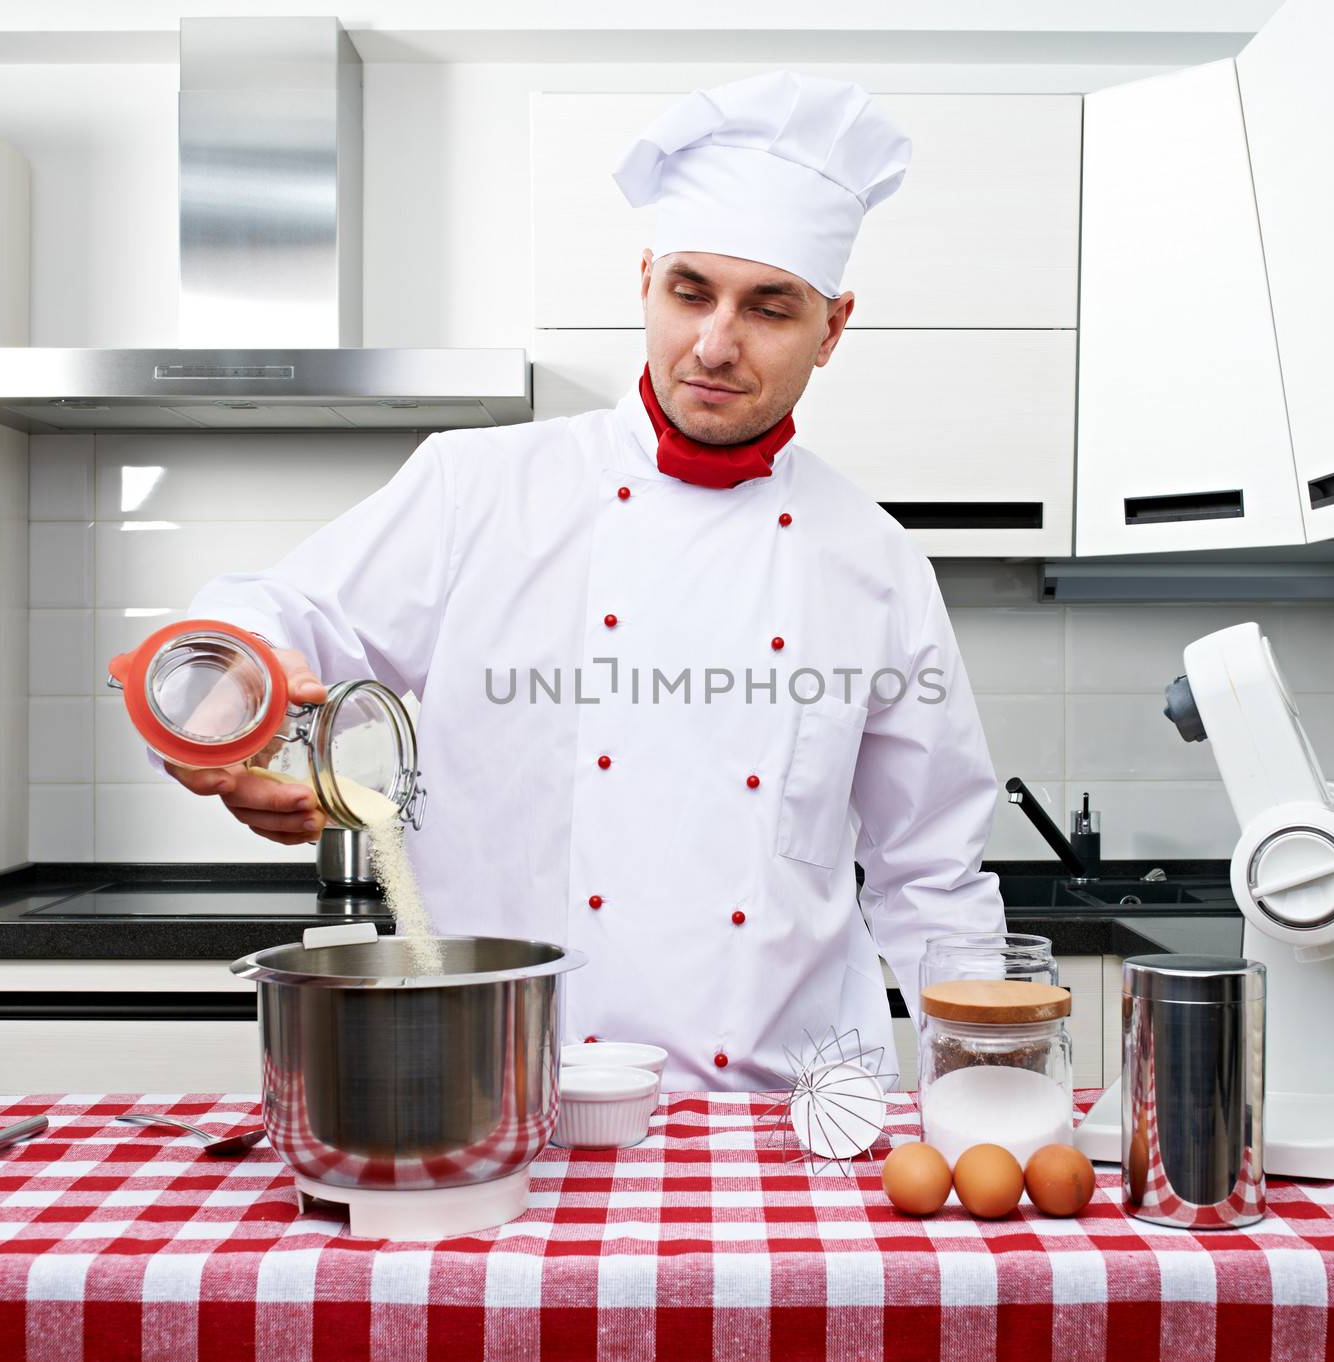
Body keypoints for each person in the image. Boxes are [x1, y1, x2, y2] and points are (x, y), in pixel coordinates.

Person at [168, 71, 1005, 1089]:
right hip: (509, 1091)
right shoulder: (478, 490)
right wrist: (215, 715)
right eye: (689, 292)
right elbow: (280, 615)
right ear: (645, 279)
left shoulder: (875, 564)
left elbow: (933, 875)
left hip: (785, 1117)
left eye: (770, 309)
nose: (713, 344)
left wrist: (989, 1091)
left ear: (833, 328)